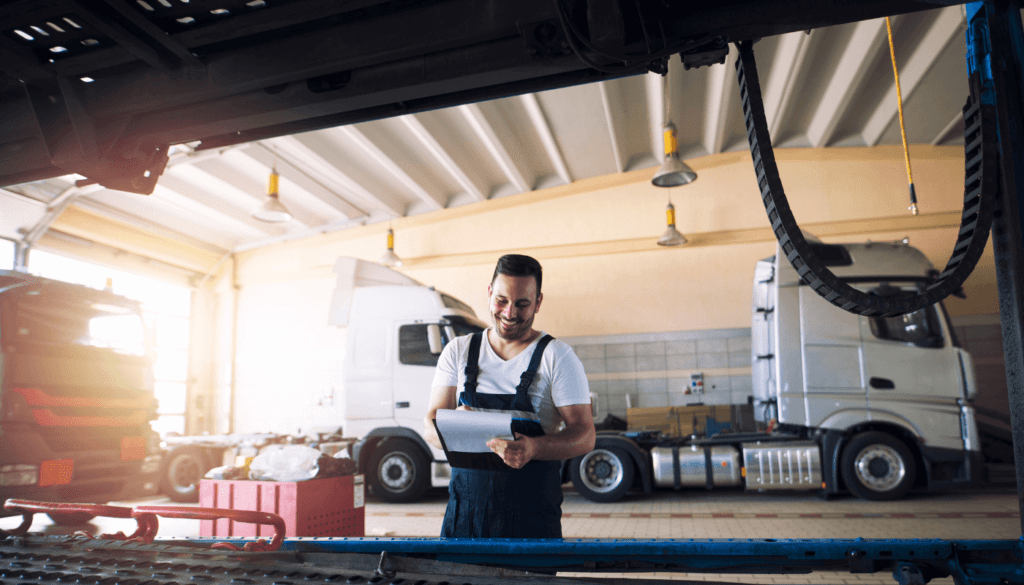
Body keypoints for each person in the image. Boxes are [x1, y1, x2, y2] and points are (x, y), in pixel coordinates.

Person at [424, 254, 595, 538]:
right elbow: (430, 426)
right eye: (501, 300)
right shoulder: (458, 351)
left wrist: (534, 448)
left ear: (538, 302)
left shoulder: (557, 357)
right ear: (489, 293)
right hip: (465, 523)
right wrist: (456, 425)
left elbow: (585, 435)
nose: (509, 313)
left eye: (522, 304)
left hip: (532, 523)